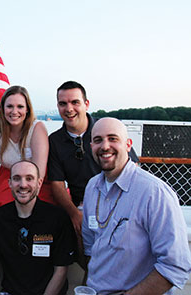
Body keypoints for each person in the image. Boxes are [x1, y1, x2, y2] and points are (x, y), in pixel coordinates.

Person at [82, 117, 191, 294]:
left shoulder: (154, 193)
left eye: (113, 138)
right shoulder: (92, 188)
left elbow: (175, 265)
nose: (104, 146)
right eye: (97, 140)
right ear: (91, 146)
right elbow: (91, 247)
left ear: (128, 144)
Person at [48, 81, 138, 238]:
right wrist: (74, 213)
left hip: (117, 200)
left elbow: (133, 166)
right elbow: (57, 184)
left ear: (86, 104)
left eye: (75, 102)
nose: (69, 109)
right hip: (81, 206)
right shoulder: (55, 141)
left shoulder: (105, 129)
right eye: (63, 104)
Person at [0, 160, 75, 295]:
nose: (23, 185)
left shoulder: (57, 218)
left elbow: (61, 268)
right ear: (9, 184)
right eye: (17, 179)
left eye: (29, 178)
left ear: (39, 183)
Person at [0, 85, 54, 207]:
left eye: (20, 107)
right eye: (9, 106)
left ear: (27, 109)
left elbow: (39, 172)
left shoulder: (36, 129)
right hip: (8, 180)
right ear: (3, 108)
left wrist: (28, 205)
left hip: (35, 182)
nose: (14, 112)